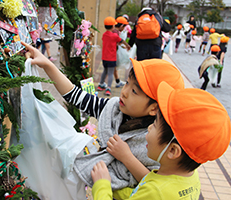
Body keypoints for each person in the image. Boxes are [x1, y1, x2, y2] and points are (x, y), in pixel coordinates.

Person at [21, 40, 185, 199]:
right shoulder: (114, 109)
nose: (124, 92)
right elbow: (77, 96)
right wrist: (48, 65)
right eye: (127, 83)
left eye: (134, 91)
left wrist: (126, 157)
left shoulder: (158, 139)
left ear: (154, 108)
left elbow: (156, 185)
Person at [91, 81, 231, 200]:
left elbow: (147, 192)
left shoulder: (156, 192)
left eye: (155, 125)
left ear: (172, 150)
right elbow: (139, 192)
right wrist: (115, 190)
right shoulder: (190, 178)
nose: (149, 128)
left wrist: (102, 185)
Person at [97, 16, 130, 96]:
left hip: (104, 58)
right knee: (111, 73)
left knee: (105, 71)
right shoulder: (114, 36)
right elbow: (121, 41)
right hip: (112, 58)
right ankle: (108, 88)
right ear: (113, 26)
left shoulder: (104, 35)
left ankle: (101, 85)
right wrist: (128, 46)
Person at [113, 16, 129, 88]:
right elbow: (119, 41)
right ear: (122, 25)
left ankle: (117, 81)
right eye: (124, 27)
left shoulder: (115, 31)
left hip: (112, 53)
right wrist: (127, 45)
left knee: (114, 68)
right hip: (112, 54)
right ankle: (107, 85)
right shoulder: (115, 32)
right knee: (111, 69)